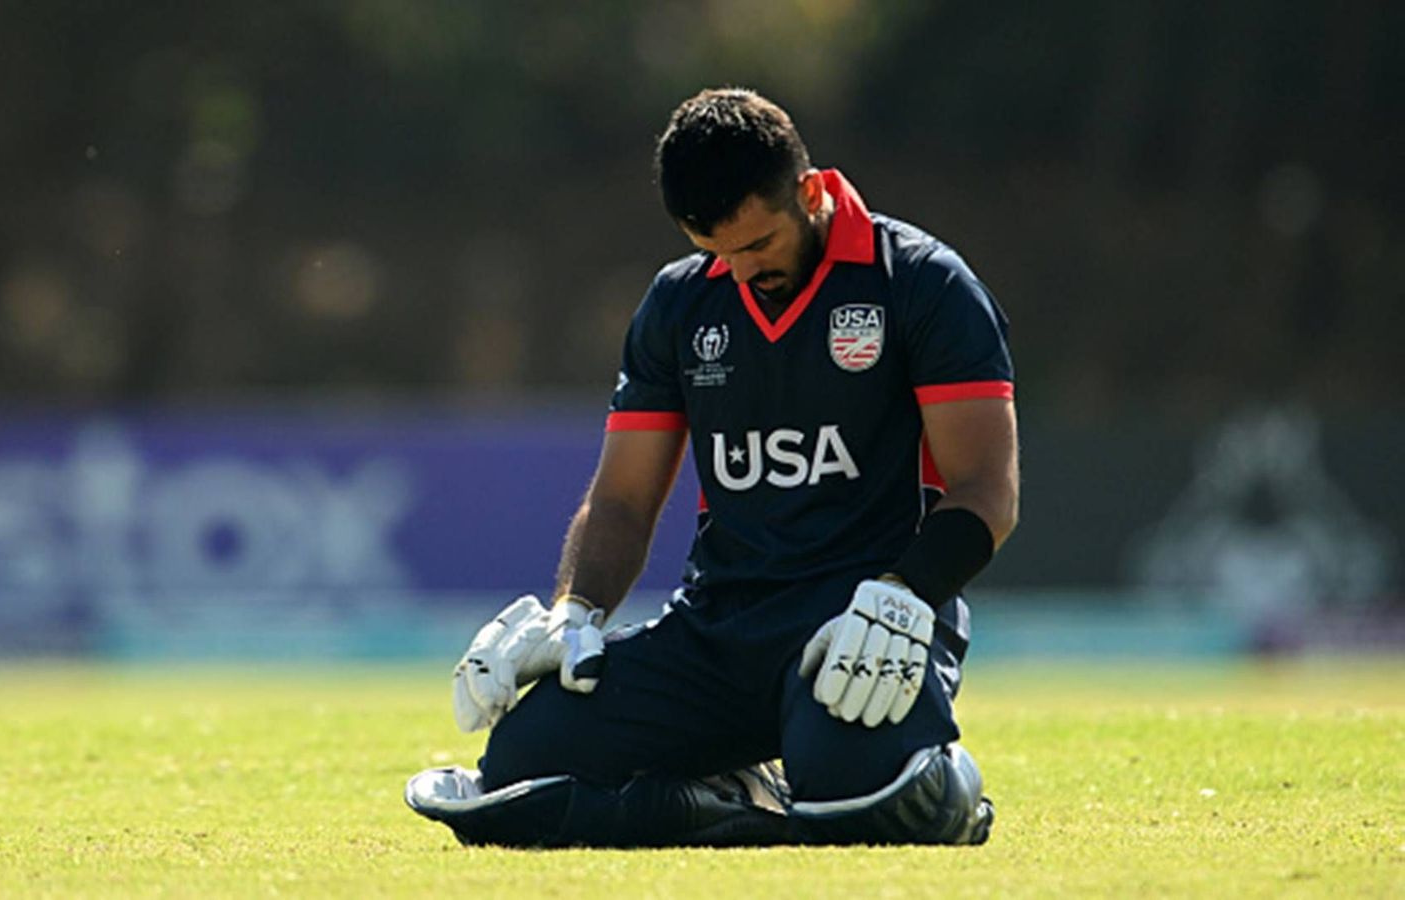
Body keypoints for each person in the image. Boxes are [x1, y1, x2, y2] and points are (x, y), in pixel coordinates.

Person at [405, 87, 1018, 848]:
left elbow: (986, 490)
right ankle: (736, 789)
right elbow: (624, 499)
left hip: (863, 620)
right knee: (521, 774)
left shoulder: (922, 282)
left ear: (812, 191)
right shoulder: (680, 303)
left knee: (859, 804)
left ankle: (940, 789)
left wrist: (907, 593)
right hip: (717, 630)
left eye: (758, 245)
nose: (739, 270)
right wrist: (576, 612)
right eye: (715, 252)